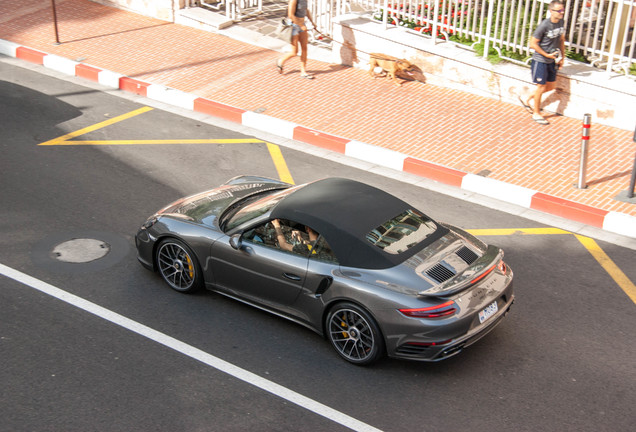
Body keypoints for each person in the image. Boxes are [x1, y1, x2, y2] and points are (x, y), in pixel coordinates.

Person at [521, 0, 566, 125]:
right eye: (559, 11)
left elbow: (561, 40)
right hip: (540, 60)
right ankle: (536, 113)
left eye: (563, 10)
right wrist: (546, 55)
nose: (562, 13)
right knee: (541, 87)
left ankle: (528, 98)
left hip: (552, 60)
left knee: (551, 86)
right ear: (551, 11)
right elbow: (532, 44)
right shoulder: (544, 25)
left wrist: (562, 57)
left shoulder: (561, 22)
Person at [276, 0, 316, 79]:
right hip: (294, 26)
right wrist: (301, 25)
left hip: (302, 24)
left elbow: (306, 10)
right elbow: (291, 15)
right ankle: (281, 61)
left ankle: (303, 71)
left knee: (304, 48)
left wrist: (312, 22)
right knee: (294, 52)